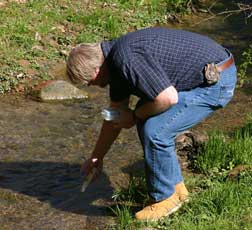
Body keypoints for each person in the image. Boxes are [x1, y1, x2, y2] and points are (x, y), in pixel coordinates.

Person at [66, 27, 237, 221]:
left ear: (96, 72)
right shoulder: (115, 61)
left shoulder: (126, 58)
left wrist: (134, 116)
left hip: (216, 81)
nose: (91, 86)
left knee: (155, 130)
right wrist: (97, 157)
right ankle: (176, 189)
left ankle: (165, 198)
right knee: (147, 113)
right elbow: (115, 117)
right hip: (209, 73)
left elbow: (167, 98)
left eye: (88, 82)